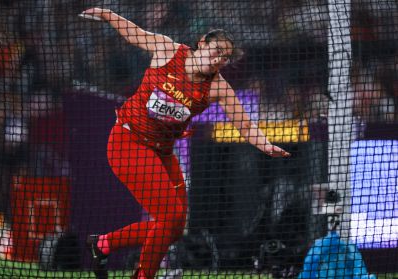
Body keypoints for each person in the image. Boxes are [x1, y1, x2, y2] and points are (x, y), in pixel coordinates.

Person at [80, 7, 291, 279]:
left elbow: (246, 125)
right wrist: (108, 15)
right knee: (169, 218)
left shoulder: (218, 87)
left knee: (176, 226)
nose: (218, 60)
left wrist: (265, 146)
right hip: (128, 143)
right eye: (216, 51)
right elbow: (134, 35)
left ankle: (103, 244)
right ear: (202, 43)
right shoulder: (168, 50)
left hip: (162, 152)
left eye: (225, 58)